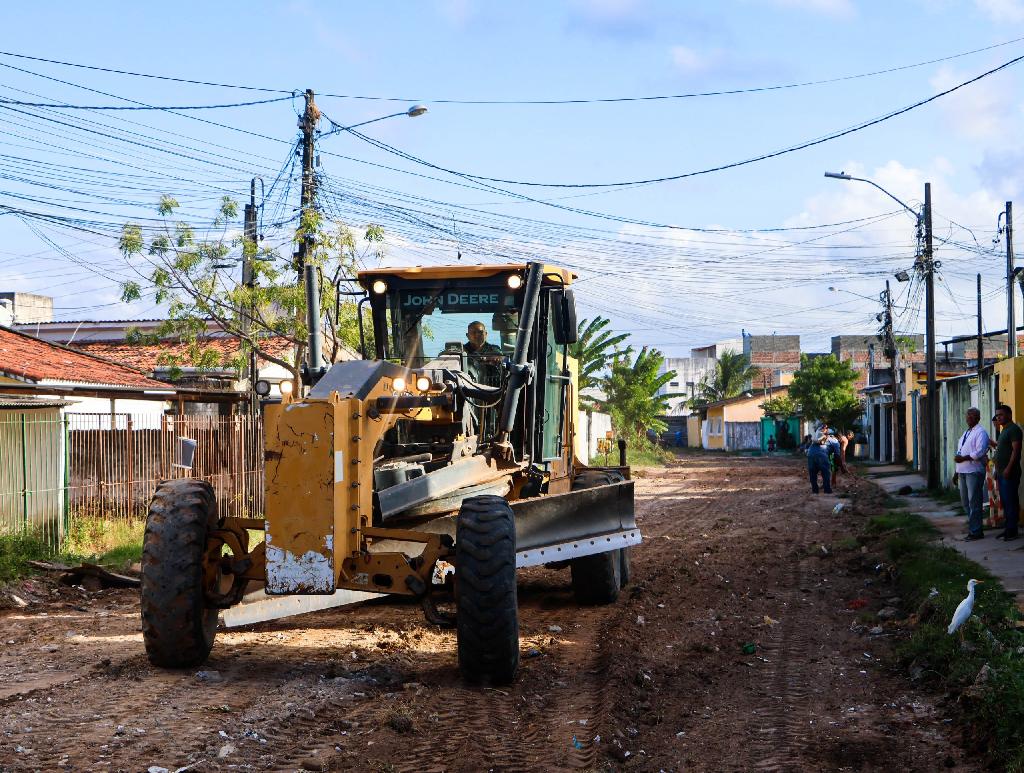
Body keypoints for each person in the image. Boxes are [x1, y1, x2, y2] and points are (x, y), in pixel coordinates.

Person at [954, 407, 990, 540]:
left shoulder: (981, 432)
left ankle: (976, 531)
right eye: (967, 416)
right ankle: (975, 526)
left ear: (978, 418)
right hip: (962, 471)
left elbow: (980, 452)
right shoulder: (967, 432)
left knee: (974, 502)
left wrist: (963, 459)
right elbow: (960, 452)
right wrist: (955, 472)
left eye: (972, 416)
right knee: (965, 502)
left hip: (974, 471)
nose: (969, 418)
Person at [989, 403, 1022, 541]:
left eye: (1001, 414)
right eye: (997, 415)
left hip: (1010, 472)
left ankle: (1012, 531)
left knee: (1011, 501)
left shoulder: (1014, 429)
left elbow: (1016, 450)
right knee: (1006, 502)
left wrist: (1008, 468)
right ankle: (1008, 528)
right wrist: (998, 471)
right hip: (1002, 473)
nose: (998, 417)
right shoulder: (1004, 430)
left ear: (1009, 415)